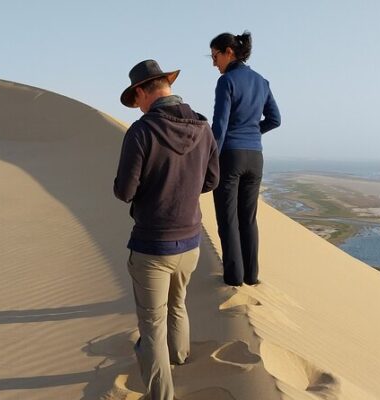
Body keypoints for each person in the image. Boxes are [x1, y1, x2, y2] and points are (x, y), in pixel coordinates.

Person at [114, 59, 219, 400]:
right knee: (178, 304)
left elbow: (124, 191)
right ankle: (181, 357)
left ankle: (162, 395)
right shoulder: (203, 127)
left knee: (152, 327)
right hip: (190, 242)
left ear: (144, 90)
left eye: (137, 99)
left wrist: (157, 188)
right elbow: (213, 179)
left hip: (152, 246)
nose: (138, 106)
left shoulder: (142, 131)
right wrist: (182, 188)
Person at [209, 31, 281, 287]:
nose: (213, 62)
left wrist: (210, 160)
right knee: (248, 219)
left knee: (227, 219)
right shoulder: (262, 82)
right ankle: (251, 276)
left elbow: (219, 126)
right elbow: (275, 119)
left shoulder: (227, 81)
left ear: (229, 51)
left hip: (230, 157)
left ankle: (234, 279)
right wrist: (252, 132)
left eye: (215, 55)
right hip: (255, 158)